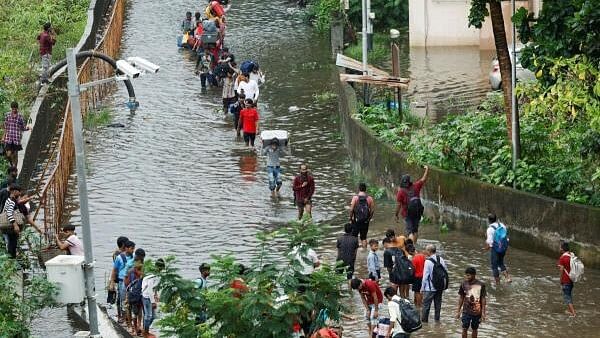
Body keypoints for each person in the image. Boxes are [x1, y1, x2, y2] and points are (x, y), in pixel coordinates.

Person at [395, 166, 429, 243]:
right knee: (415, 230)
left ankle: (411, 248)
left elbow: (398, 205)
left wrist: (396, 214)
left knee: (410, 232)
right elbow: (423, 179)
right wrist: (427, 169)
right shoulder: (416, 186)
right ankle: (415, 244)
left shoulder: (401, 192)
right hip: (417, 211)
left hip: (407, 213)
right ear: (409, 181)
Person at [456, 267, 486, 338]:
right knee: (464, 328)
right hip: (466, 311)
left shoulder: (481, 285)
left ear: (474, 275)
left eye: (469, 275)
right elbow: (461, 297)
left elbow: (483, 299)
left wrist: (483, 313)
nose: (467, 277)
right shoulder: (463, 284)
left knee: (475, 329)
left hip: (477, 311)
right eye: (466, 275)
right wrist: (458, 311)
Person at [421, 244, 448, 323]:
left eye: (426, 250)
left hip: (429, 288)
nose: (425, 251)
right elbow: (445, 272)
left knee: (426, 306)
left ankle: (424, 323)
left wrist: (422, 288)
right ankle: (437, 321)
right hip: (439, 287)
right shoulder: (441, 259)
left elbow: (425, 277)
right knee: (438, 306)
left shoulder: (427, 262)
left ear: (429, 251)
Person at [110, 240, 135, 323]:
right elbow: (114, 270)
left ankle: (129, 317)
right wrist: (112, 283)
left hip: (132, 281)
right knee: (122, 300)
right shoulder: (119, 257)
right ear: (126, 248)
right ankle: (123, 317)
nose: (133, 250)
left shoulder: (134, 257)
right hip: (122, 281)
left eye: (134, 248)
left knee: (131, 299)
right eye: (132, 248)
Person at [485, 213, 511, 284]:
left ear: (488, 220)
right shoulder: (502, 225)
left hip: (495, 248)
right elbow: (505, 235)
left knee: (494, 266)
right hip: (503, 247)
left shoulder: (490, 229)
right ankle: (508, 278)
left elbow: (490, 242)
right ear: (496, 219)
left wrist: (486, 248)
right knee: (501, 262)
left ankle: (497, 282)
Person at [142, 258, 165, 338]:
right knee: (148, 316)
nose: (161, 270)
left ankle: (145, 330)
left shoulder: (157, 275)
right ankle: (145, 333)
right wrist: (153, 302)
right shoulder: (152, 275)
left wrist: (156, 295)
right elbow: (149, 289)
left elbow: (154, 287)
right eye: (160, 268)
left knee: (153, 316)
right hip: (147, 297)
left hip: (150, 296)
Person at [3, 102, 31, 167]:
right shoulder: (7, 115)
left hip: (16, 139)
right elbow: (6, 127)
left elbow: (23, 128)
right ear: (11, 108)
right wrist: (3, 137)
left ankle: (15, 168)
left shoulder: (20, 117)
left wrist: (28, 128)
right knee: (8, 154)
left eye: (15, 109)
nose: (14, 110)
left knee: (15, 154)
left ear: (17, 109)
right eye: (13, 109)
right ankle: (12, 165)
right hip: (9, 138)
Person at [383, 234, 411, 298]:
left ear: (385, 243)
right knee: (402, 293)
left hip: (394, 274)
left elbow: (388, 267)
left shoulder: (387, 252)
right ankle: (405, 303)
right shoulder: (400, 250)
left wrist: (391, 275)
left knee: (393, 293)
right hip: (402, 273)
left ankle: (396, 305)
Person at [1, 184, 24, 258]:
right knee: (12, 243)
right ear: (14, 191)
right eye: (19, 191)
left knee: (11, 242)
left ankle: (11, 259)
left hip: (8, 226)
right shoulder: (11, 201)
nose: (20, 193)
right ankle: (12, 259)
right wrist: (15, 225)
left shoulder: (9, 199)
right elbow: (9, 213)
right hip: (10, 226)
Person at [349, 182, 375, 248]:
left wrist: (350, 218)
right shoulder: (369, 198)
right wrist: (369, 219)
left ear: (359, 189)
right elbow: (372, 211)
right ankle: (365, 251)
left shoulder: (355, 198)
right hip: (365, 221)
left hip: (356, 220)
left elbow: (351, 210)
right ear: (365, 189)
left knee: (354, 237)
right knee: (363, 238)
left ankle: (354, 251)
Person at [125, 261, 144, 336]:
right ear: (136, 269)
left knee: (139, 310)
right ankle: (131, 326)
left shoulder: (141, 276)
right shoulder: (130, 273)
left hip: (138, 295)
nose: (142, 272)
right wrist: (127, 296)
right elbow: (126, 284)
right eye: (140, 270)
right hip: (130, 294)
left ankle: (138, 326)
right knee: (129, 309)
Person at [558, 242, 576, 317]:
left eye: (560, 247)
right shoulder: (572, 255)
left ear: (562, 249)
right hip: (571, 279)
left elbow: (561, 270)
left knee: (567, 297)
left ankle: (573, 313)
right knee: (569, 295)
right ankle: (570, 311)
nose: (559, 248)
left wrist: (560, 279)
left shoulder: (562, 258)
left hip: (565, 280)